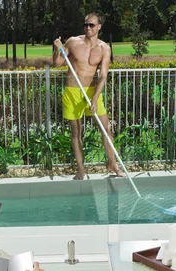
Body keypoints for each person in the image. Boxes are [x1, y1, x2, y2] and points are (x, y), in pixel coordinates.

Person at [53, 12, 126, 180]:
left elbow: (103, 76)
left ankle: (112, 165)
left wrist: (94, 98)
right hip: (72, 92)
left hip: (92, 92)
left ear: (99, 27)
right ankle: (81, 170)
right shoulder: (73, 42)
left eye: (92, 25)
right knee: (76, 133)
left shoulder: (104, 48)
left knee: (106, 129)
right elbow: (56, 63)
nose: (88, 28)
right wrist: (57, 49)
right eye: (86, 25)